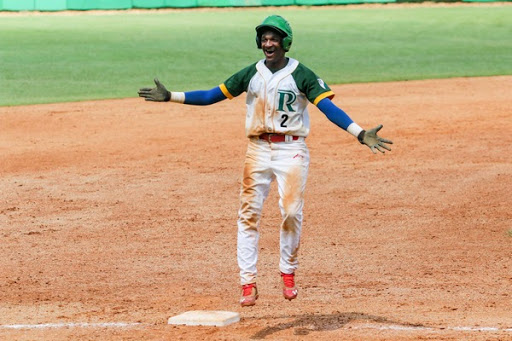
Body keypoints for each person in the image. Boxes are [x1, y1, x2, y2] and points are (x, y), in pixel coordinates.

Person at [138, 15, 392, 307]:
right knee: (248, 214)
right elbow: (211, 95)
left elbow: (327, 107)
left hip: (291, 150)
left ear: (286, 42)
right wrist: (172, 96)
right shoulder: (251, 73)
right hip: (257, 150)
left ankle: (288, 272)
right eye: (264, 38)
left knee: (292, 211)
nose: (268, 43)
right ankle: (248, 282)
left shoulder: (302, 75)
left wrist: (359, 133)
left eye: (274, 38)